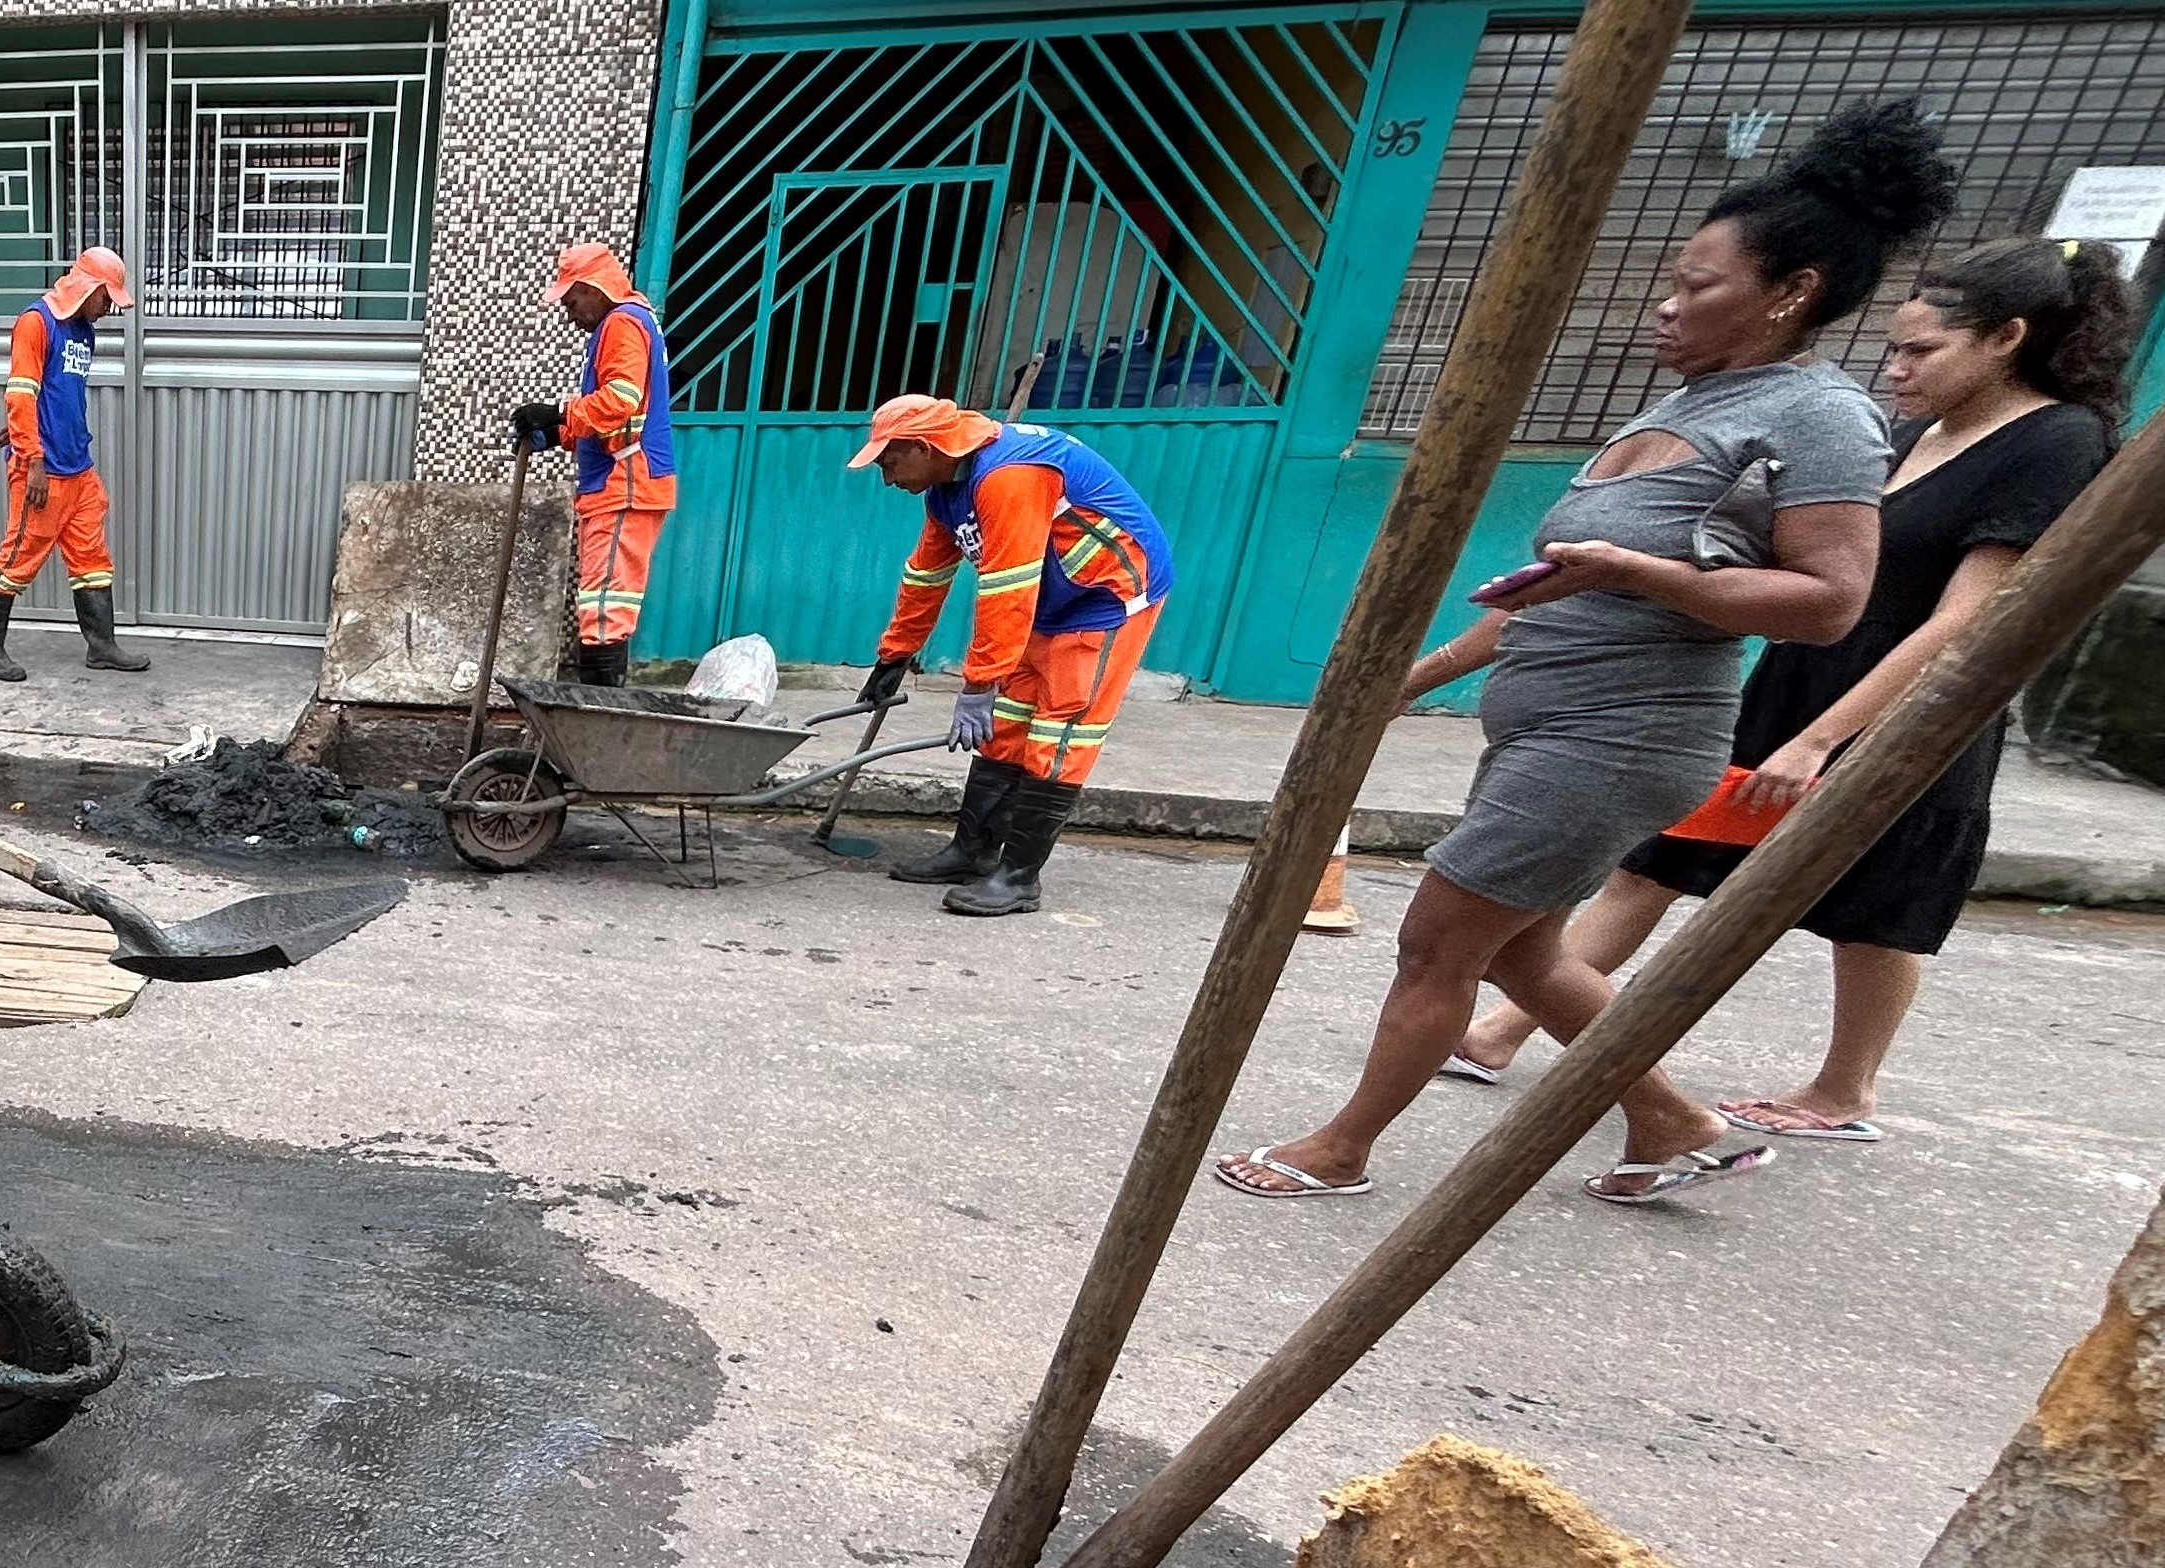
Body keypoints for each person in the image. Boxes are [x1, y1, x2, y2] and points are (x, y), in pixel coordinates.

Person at [1215, 102, 1949, 1206]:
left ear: (1790, 291)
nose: (1667, 303)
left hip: (1627, 734)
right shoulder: (1696, 401)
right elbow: (1552, 591)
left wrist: (1640, 574)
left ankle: (1343, 1149)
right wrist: (1408, 681)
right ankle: (1669, 1118)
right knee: (1524, 952)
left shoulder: (1821, 416)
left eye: (1699, 284)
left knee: (1438, 944)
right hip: (1549, 725)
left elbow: (1832, 602)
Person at [1449, 237, 2135, 1137]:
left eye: (1921, 352)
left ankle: (1845, 1088)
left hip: (1914, 703)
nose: (1896, 370)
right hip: (1797, 671)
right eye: (1894, 348)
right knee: (1661, 855)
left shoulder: (2056, 442)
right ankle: (1508, 1027)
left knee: (1878, 903)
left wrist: (1822, 741)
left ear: (2006, 338)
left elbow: (1963, 622)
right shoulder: (1902, 434)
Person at [851, 394, 1176, 916]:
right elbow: (926, 575)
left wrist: (978, 683)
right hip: (1047, 601)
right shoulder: (946, 489)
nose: (887, 478)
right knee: (1005, 729)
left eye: (890, 462)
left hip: (1104, 599)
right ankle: (973, 852)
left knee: (1059, 733)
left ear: (924, 447)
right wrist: (894, 656)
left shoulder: (1011, 477)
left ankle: (1020, 878)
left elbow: (1007, 587)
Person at [512, 244, 674, 686]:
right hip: (623, 480)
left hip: (626, 484)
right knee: (604, 603)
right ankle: (596, 711)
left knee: (606, 609)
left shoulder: (621, 324)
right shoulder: (629, 321)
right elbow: (613, 419)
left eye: (570, 301)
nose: (568, 314)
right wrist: (556, 434)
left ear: (592, 288)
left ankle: (598, 711)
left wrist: (559, 412)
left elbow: (620, 403)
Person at [0, 247, 145, 682]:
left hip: (79, 468)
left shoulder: (83, 331)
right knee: (18, 557)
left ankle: (102, 647)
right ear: (88, 288)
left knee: (92, 558)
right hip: (43, 472)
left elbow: (52, 393)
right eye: (107, 298)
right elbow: (19, 391)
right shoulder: (37, 323)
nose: (109, 308)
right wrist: (30, 457)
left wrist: (21, 429)